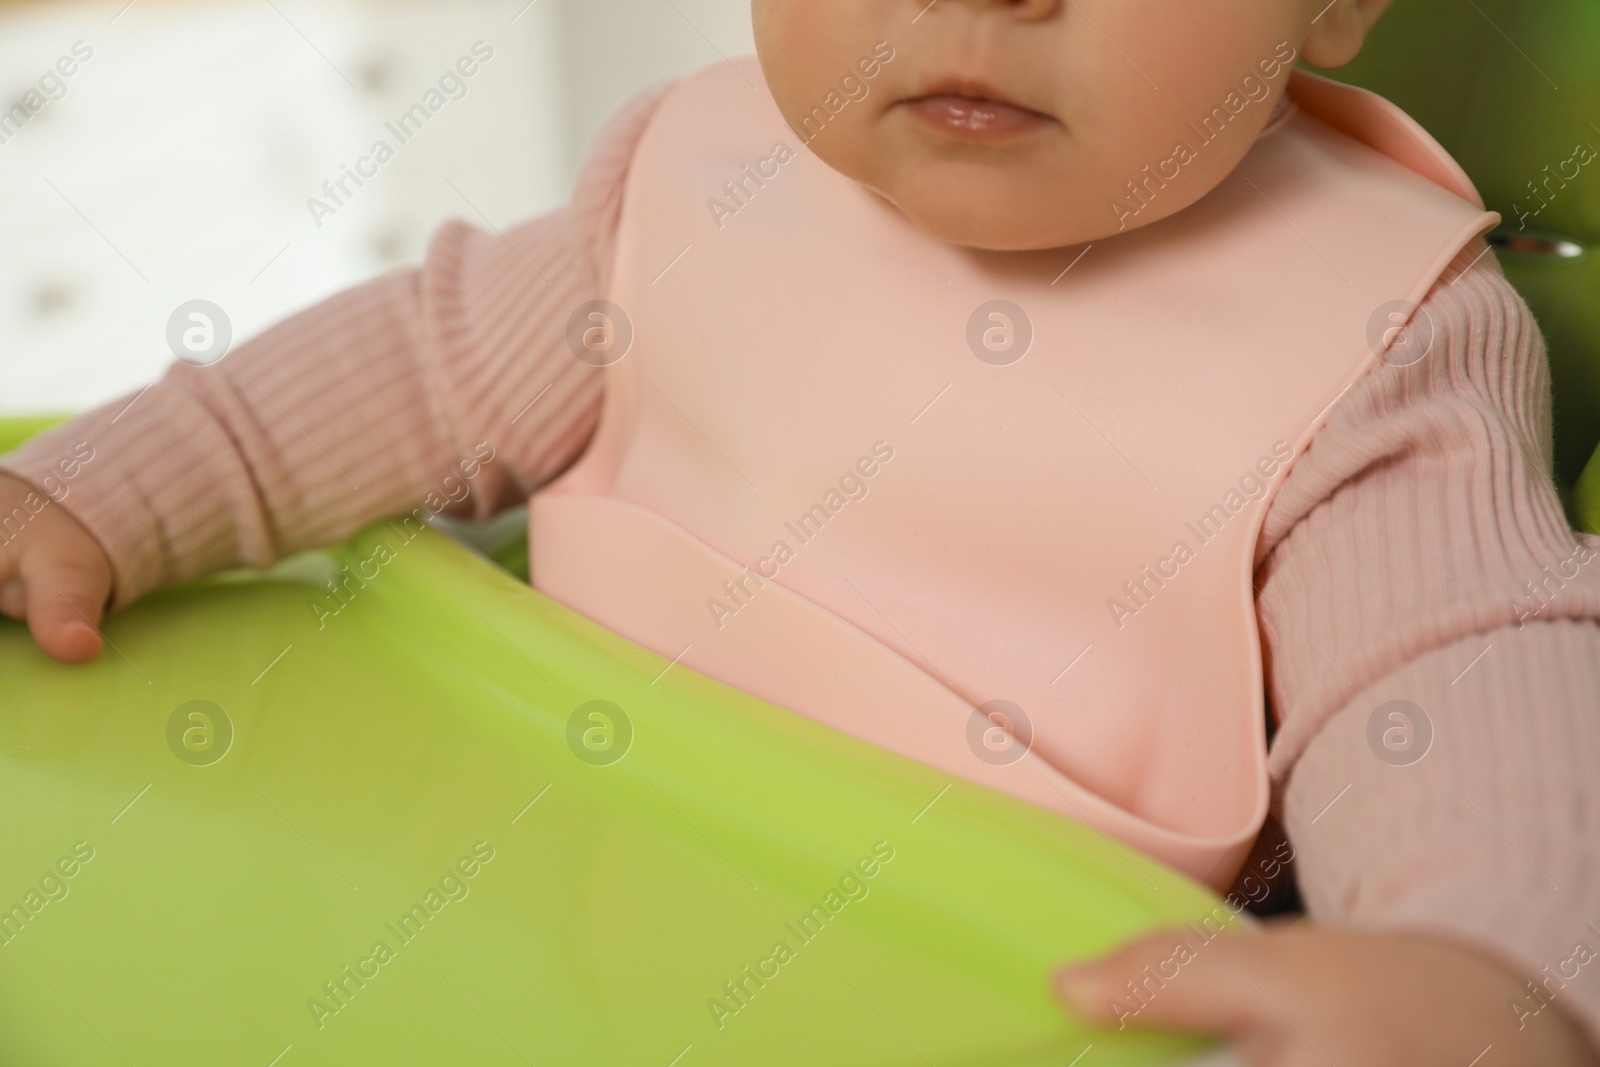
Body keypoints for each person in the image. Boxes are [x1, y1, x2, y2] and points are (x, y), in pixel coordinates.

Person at [3, 1, 1597, 1062]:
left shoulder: (1371, 329)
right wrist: (105, 491)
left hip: (993, 991)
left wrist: (1487, 967)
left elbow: (1455, 674)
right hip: (545, 915)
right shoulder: (695, 181)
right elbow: (418, 365)